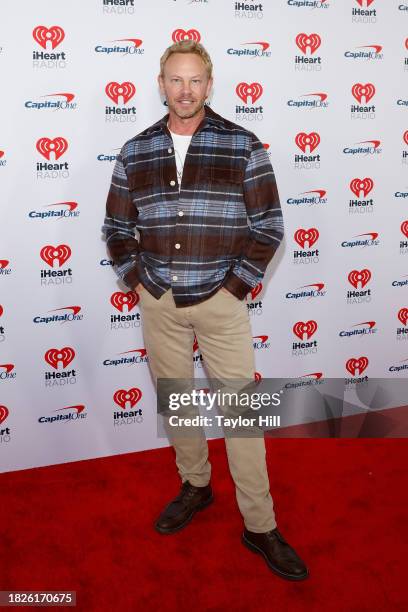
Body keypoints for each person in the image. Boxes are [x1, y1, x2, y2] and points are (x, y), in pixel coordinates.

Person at [102, 39, 308, 581]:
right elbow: (117, 230)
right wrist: (137, 282)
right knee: (178, 402)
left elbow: (268, 227)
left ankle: (259, 524)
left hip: (221, 301)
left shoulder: (242, 145)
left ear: (209, 86)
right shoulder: (135, 149)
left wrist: (234, 289)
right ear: (161, 84)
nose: (185, 90)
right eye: (176, 79)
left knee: (242, 415)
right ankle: (195, 484)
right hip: (159, 300)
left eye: (195, 80)